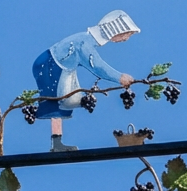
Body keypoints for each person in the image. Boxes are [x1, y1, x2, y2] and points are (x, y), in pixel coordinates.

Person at [32, 10, 139, 152]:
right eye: (126, 34)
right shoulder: (84, 43)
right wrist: (119, 77)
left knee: (68, 101)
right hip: (50, 64)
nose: (126, 38)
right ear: (114, 30)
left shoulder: (88, 41)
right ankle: (56, 143)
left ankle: (57, 143)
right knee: (57, 102)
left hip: (63, 66)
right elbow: (96, 65)